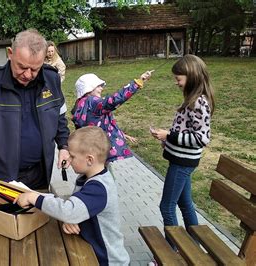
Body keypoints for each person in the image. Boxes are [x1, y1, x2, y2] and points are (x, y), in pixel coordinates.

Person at [0, 29, 70, 194]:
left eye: (35, 69)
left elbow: (59, 115)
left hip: (41, 173)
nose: (28, 74)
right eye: (22, 67)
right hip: (3, 175)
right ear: (10, 53)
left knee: (36, 218)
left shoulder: (51, 79)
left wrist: (64, 145)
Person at [15, 127, 129, 265]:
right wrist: (75, 218)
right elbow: (75, 206)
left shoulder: (98, 188)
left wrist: (34, 198)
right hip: (91, 251)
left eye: (73, 156)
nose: (68, 159)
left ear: (89, 160)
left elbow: (68, 210)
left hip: (107, 260)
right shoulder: (88, 177)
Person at [150, 54, 215, 245]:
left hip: (182, 163)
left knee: (166, 207)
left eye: (179, 79)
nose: (176, 83)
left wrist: (169, 136)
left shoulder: (198, 103)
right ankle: (194, 247)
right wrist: (167, 138)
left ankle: (174, 252)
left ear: (192, 76)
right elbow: (186, 131)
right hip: (180, 160)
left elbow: (202, 138)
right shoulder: (192, 99)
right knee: (185, 204)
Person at [71, 71, 152, 173]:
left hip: (89, 146)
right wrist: (137, 83)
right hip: (100, 147)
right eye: (98, 86)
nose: (102, 88)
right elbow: (114, 99)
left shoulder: (81, 103)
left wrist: (121, 134)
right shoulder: (94, 102)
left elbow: (100, 123)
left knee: (90, 173)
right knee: (104, 175)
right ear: (89, 88)